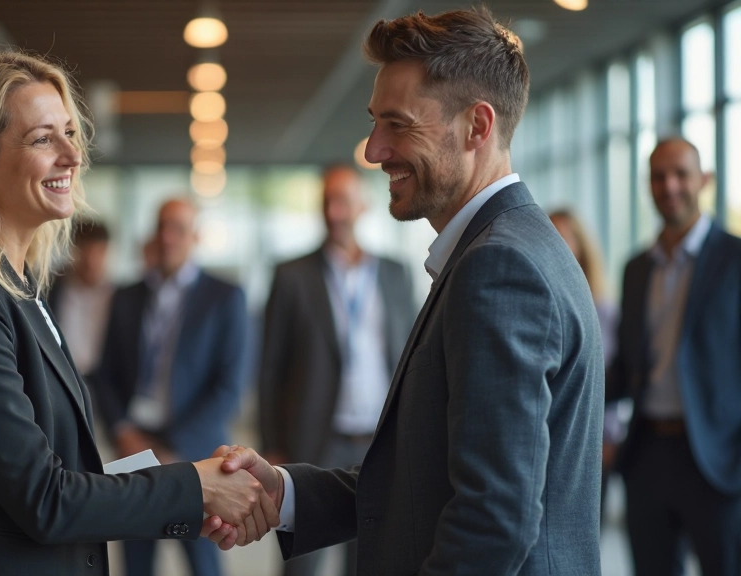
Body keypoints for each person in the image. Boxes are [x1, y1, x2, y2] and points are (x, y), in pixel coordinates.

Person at [205, 9, 605, 575]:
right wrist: (285, 491)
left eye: (399, 124)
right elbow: (427, 478)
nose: (373, 150)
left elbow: (493, 522)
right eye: (375, 123)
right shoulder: (507, 247)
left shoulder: (499, 267)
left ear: (477, 126)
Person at [0, 50, 276, 576]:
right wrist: (194, 485)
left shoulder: (21, 287)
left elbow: (62, 473)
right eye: (44, 138)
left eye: (70, 133)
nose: (73, 155)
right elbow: (45, 498)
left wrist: (181, 497)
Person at [259, 164, 416, 576]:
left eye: (342, 201)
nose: (334, 212)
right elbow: (270, 368)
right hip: (314, 444)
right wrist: (272, 443)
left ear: (363, 206)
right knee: (303, 565)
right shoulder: (292, 276)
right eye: (327, 202)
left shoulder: (395, 274)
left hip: (380, 443)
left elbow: (412, 360)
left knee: (372, 561)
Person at [92, 198, 248, 576]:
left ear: (194, 236)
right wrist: (122, 430)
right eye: (161, 227)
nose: (167, 237)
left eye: (178, 228)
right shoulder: (127, 296)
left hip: (194, 452)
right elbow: (105, 374)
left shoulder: (224, 297)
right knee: (137, 559)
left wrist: (171, 447)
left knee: (202, 561)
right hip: (135, 448)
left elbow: (229, 386)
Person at [607, 138, 741, 576]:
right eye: (658, 176)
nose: (669, 186)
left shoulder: (735, 260)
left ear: (704, 180)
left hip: (717, 461)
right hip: (647, 456)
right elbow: (627, 370)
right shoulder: (636, 269)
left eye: (680, 174)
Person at [548, 209, 626, 522]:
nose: (557, 244)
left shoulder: (605, 311)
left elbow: (615, 378)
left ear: (581, 245)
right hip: (548, 440)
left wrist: (608, 437)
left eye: (565, 236)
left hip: (592, 442)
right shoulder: (537, 303)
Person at [47, 219, 113, 379]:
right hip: (60, 376)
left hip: (101, 384)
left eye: (98, 252)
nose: (91, 261)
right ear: (74, 250)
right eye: (85, 250)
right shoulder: (51, 288)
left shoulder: (117, 296)